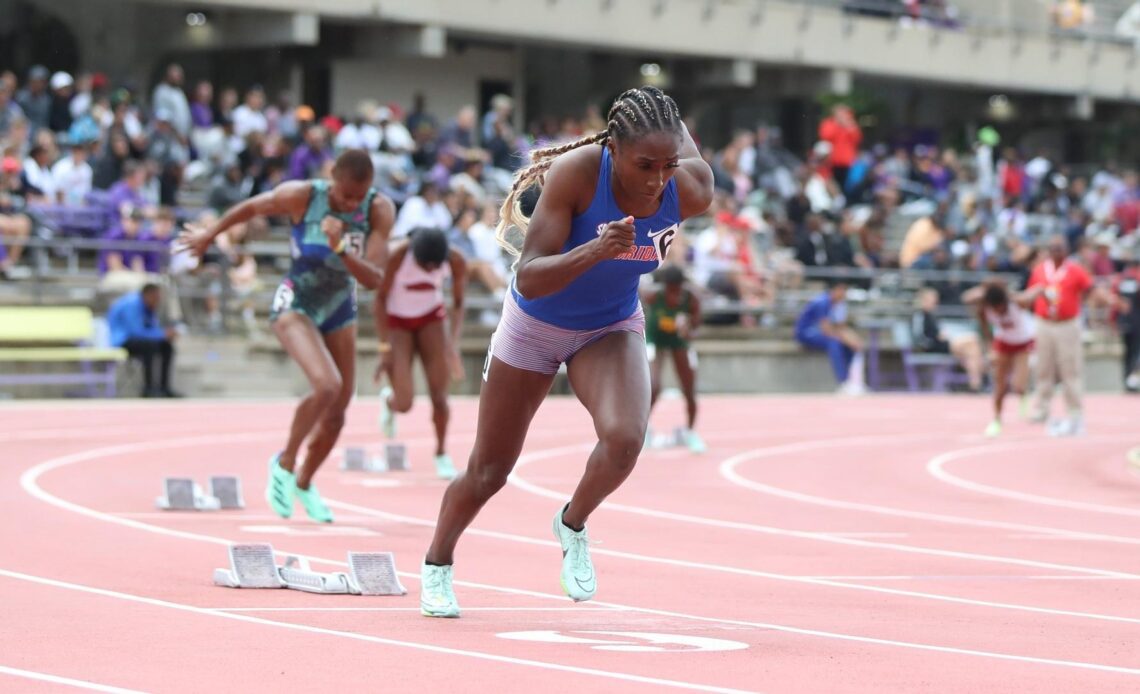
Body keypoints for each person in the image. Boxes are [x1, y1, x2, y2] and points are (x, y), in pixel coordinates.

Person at [419, 86, 713, 618]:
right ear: (613, 151)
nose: (657, 178)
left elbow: (675, 143)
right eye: (644, 164)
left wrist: (660, 102)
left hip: (610, 325)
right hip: (534, 325)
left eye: (668, 164)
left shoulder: (689, 188)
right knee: (489, 472)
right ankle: (437, 564)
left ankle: (572, 522)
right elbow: (529, 279)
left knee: (625, 438)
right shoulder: (579, 173)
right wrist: (596, 249)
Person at [179, 149, 393, 522]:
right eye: (344, 196)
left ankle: (305, 484)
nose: (350, 204)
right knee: (326, 385)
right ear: (331, 178)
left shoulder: (377, 210)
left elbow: (373, 278)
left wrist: (340, 246)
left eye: (358, 197)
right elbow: (251, 208)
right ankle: (284, 462)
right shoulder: (303, 196)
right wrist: (209, 235)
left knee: (339, 411)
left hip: (341, 306)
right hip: (297, 300)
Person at [374, 227, 468, 479]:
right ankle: (389, 401)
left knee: (440, 396)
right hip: (398, 323)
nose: (429, 271)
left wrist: (452, 345)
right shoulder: (396, 256)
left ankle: (441, 453)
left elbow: (458, 303)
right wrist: (384, 348)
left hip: (431, 321)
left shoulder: (455, 260)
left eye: (433, 268)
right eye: (423, 266)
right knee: (404, 403)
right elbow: (380, 300)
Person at [1026, 236, 1094, 436]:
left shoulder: (1074, 269)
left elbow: (1088, 288)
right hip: (1044, 323)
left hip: (1067, 324)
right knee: (1043, 368)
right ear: (1049, 251)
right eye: (1054, 249)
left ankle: (1075, 412)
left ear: (1066, 251)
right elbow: (1032, 292)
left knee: (1069, 370)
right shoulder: (1040, 270)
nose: (1057, 252)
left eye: (1060, 249)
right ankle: (1042, 409)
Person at [641, 264, 705, 453]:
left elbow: (697, 327)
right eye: (671, 290)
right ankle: (643, 429)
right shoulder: (654, 296)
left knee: (689, 389)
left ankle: (690, 432)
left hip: (679, 342)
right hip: (656, 341)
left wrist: (688, 330)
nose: (674, 295)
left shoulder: (690, 298)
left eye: (677, 291)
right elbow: (636, 296)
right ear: (665, 286)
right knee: (654, 386)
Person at [964, 281, 1039, 437]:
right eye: (995, 308)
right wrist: (990, 350)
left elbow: (1033, 293)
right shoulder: (984, 310)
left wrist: (1040, 291)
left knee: (1018, 385)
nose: (998, 311)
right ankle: (996, 420)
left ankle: (1023, 395)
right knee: (1000, 386)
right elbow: (967, 298)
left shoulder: (1017, 303)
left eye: (1001, 307)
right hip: (1003, 344)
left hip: (1023, 343)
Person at [107, 283, 180, 398]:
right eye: (156, 298)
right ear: (147, 295)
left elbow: (152, 328)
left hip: (140, 339)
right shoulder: (131, 304)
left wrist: (164, 335)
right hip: (123, 340)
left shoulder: (149, 306)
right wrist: (162, 334)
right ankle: (149, 389)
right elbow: (136, 331)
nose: (158, 301)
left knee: (167, 346)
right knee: (149, 346)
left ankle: (164, 388)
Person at [794, 280, 865, 394]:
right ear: (834, 290)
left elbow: (841, 327)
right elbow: (826, 330)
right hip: (806, 333)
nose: (844, 294)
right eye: (841, 290)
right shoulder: (822, 302)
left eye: (845, 291)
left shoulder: (840, 304)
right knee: (834, 343)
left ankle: (853, 380)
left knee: (850, 347)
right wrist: (846, 339)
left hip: (823, 333)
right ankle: (843, 382)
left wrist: (854, 340)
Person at [912, 287, 984, 391]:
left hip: (941, 344)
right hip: (933, 346)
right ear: (923, 300)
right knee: (972, 342)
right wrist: (934, 340)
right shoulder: (920, 315)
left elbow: (937, 333)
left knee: (972, 351)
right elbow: (919, 337)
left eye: (935, 300)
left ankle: (975, 383)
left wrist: (941, 336)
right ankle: (979, 380)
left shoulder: (931, 315)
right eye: (932, 300)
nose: (935, 302)